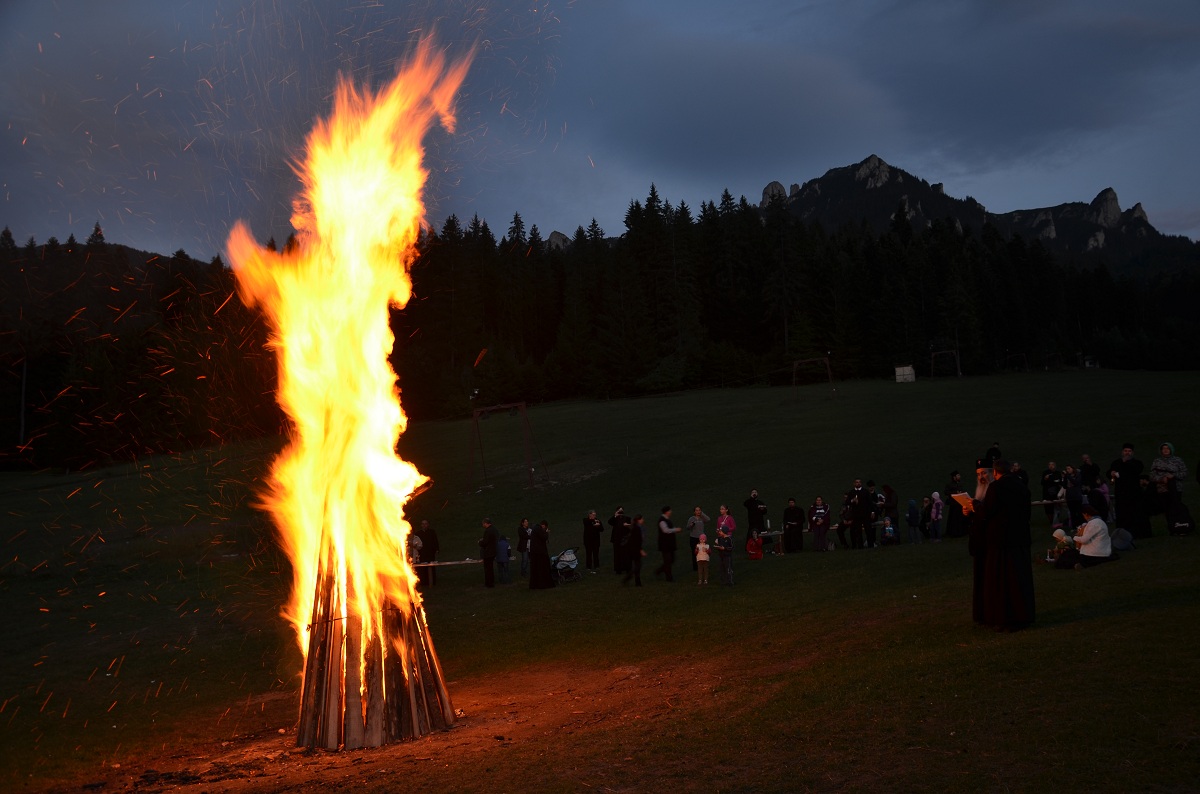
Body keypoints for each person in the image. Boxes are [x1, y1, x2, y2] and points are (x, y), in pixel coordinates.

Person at [969, 458, 1035, 631]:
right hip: (1020, 539)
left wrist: (975, 505)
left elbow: (988, 511)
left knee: (1002, 581)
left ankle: (1004, 617)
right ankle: (1023, 615)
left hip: (1000, 542)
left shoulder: (996, 487)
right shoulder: (1021, 486)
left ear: (996, 473)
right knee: (1019, 579)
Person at [1055, 502, 1114, 569]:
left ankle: (1075, 564)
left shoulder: (1093, 523)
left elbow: (1084, 540)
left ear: (1086, 514)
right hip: (1103, 551)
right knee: (1071, 553)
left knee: (1069, 554)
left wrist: (1074, 537)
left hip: (1095, 553)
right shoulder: (1100, 522)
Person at [1108, 443, 1145, 537]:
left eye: (1129, 451)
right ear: (1122, 452)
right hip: (1121, 493)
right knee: (1122, 514)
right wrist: (1111, 473)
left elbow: (1135, 471)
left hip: (1134, 493)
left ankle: (1136, 533)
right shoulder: (1116, 462)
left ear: (1132, 453)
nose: (1127, 453)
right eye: (1125, 451)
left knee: (1134, 514)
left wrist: (1124, 465)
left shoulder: (1137, 463)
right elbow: (1109, 472)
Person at [1150, 442, 1189, 532]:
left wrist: (1173, 476)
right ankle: (1171, 527)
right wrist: (1161, 479)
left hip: (1176, 489)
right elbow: (1152, 476)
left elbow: (1184, 473)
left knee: (1176, 507)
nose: (1166, 450)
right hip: (1162, 489)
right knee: (1166, 509)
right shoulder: (1157, 461)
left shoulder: (1178, 460)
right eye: (1164, 448)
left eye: (1167, 448)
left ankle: (1179, 525)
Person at [844, 478, 873, 549]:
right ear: (854, 483)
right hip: (856, 515)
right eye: (857, 482)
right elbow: (847, 502)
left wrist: (872, 512)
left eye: (859, 482)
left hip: (866, 514)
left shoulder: (865, 491)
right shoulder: (851, 492)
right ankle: (860, 546)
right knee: (858, 531)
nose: (858, 483)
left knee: (868, 530)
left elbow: (870, 503)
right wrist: (852, 500)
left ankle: (871, 545)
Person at [655, 507, 681, 582]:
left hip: (669, 544)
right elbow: (665, 530)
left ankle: (659, 571)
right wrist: (676, 530)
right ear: (666, 512)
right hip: (665, 545)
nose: (671, 512)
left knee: (671, 560)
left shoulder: (666, 519)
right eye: (669, 511)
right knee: (668, 561)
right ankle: (669, 578)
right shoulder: (662, 520)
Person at [529, 520, 555, 589]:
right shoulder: (539, 529)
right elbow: (544, 537)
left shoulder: (535, 529)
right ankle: (544, 584)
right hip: (540, 553)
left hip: (535, 553)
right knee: (542, 568)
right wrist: (546, 533)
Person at [414, 519, 440, 587]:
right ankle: (424, 582)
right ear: (421, 525)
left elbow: (435, 541)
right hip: (422, 553)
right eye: (423, 524)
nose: (424, 525)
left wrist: (437, 549)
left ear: (428, 525)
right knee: (423, 567)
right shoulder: (418, 533)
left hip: (430, 552)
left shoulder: (432, 532)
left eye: (426, 523)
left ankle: (432, 581)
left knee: (431, 566)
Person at [622, 514, 647, 586]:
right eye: (642, 519)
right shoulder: (637, 528)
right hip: (635, 549)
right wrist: (641, 550)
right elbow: (637, 541)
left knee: (637, 565)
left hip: (634, 549)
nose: (643, 520)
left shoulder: (636, 527)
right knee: (637, 566)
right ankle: (631, 579)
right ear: (639, 520)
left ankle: (636, 581)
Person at [942, 471, 967, 538]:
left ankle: (961, 532)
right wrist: (955, 492)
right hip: (954, 504)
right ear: (954, 477)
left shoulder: (960, 484)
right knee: (953, 518)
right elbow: (946, 492)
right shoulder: (950, 484)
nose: (959, 477)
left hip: (960, 503)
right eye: (958, 475)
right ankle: (953, 532)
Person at [716, 505, 736, 584]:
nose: (721, 510)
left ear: (726, 510)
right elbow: (717, 527)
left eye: (722, 509)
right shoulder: (719, 518)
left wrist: (726, 530)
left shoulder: (730, 518)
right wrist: (718, 531)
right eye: (720, 509)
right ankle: (723, 575)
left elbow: (734, 527)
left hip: (728, 536)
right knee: (721, 554)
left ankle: (729, 571)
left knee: (728, 553)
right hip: (721, 537)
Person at [685, 506, 710, 571]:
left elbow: (708, 519)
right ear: (694, 512)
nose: (698, 512)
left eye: (699, 510)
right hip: (693, 538)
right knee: (695, 553)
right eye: (697, 510)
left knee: (702, 553)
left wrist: (702, 514)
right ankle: (695, 568)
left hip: (701, 539)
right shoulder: (691, 518)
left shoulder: (702, 518)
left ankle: (702, 567)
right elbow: (687, 527)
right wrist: (691, 525)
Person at [742, 489, 767, 553]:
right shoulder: (749, 502)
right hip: (752, 522)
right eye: (753, 492)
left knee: (761, 535)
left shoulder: (760, 502)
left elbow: (765, 511)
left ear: (757, 494)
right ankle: (749, 547)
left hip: (760, 522)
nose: (754, 493)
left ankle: (760, 547)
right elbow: (745, 504)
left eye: (755, 492)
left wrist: (762, 509)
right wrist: (751, 498)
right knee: (751, 534)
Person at [609, 508, 631, 574]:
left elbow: (631, 526)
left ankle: (627, 568)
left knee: (626, 554)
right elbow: (610, 522)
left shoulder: (627, 518)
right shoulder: (615, 519)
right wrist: (615, 516)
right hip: (616, 540)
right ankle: (618, 570)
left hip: (625, 539)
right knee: (617, 555)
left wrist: (627, 525)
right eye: (619, 510)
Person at [1041, 461, 1064, 525]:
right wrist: (1045, 479)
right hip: (1047, 494)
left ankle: (1056, 520)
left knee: (1057, 507)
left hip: (1056, 493)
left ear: (1055, 465)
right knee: (1048, 508)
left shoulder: (1058, 473)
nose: (1051, 466)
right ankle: (1051, 522)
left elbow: (1061, 483)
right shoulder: (1045, 473)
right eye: (1049, 464)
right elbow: (1042, 483)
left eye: (1052, 464)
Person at [1062, 464, 1084, 529]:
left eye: (1069, 468)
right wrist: (1064, 478)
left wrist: (1068, 477)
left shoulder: (1078, 475)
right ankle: (1074, 527)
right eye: (1066, 469)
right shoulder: (1067, 476)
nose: (1067, 470)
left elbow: (1076, 483)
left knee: (1079, 512)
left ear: (1072, 469)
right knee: (1072, 513)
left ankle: (1081, 526)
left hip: (1077, 496)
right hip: (1070, 497)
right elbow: (1064, 486)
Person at [478, 518, 499, 588]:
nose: (483, 525)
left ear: (485, 523)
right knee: (490, 568)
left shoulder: (488, 531)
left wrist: (480, 542)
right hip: (494, 551)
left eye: (483, 524)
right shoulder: (495, 529)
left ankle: (489, 583)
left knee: (487, 569)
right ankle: (491, 581)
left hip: (488, 552)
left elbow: (485, 542)